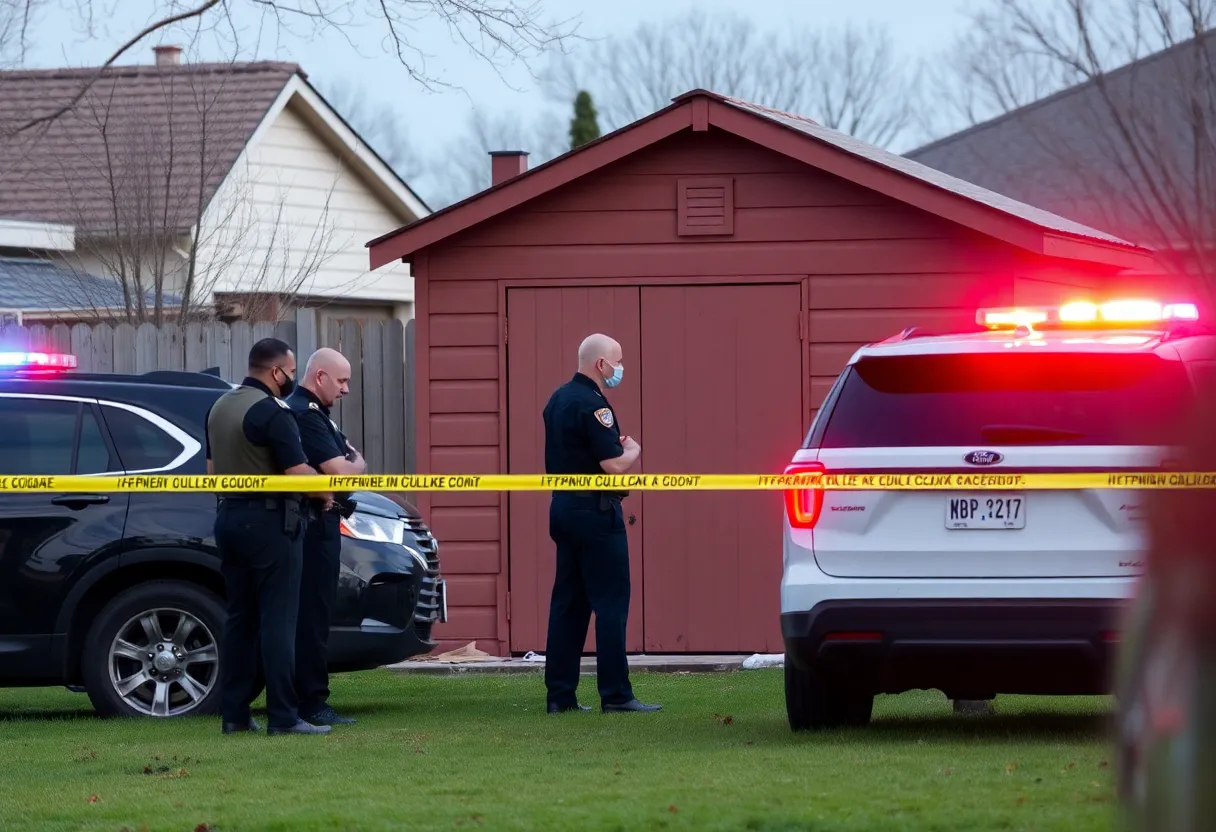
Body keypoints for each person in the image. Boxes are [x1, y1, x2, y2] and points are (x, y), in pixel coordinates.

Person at [206, 337, 332, 737]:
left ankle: (235, 715)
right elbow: (298, 472)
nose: (291, 379)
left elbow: (211, 474)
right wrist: (324, 490)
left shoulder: (219, 407)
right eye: (291, 372)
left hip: (229, 518)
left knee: (239, 621)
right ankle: (284, 716)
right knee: (279, 622)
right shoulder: (273, 412)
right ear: (276, 371)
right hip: (272, 524)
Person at [541, 333, 661, 715]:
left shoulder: (557, 399)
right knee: (610, 603)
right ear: (601, 365)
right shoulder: (594, 405)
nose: (620, 369)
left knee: (568, 604)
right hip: (595, 513)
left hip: (563, 509)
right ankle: (616, 694)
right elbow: (612, 465)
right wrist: (633, 451)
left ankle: (560, 696)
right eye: (618, 362)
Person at [287, 347, 366, 727]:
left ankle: (311, 698)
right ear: (320, 377)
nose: (346, 390)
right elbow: (347, 469)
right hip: (313, 525)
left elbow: (353, 463)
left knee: (317, 613)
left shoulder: (320, 416)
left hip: (324, 523)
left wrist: (353, 463)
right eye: (342, 380)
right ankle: (311, 702)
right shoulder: (305, 414)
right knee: (312, 616)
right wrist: (353, 463)